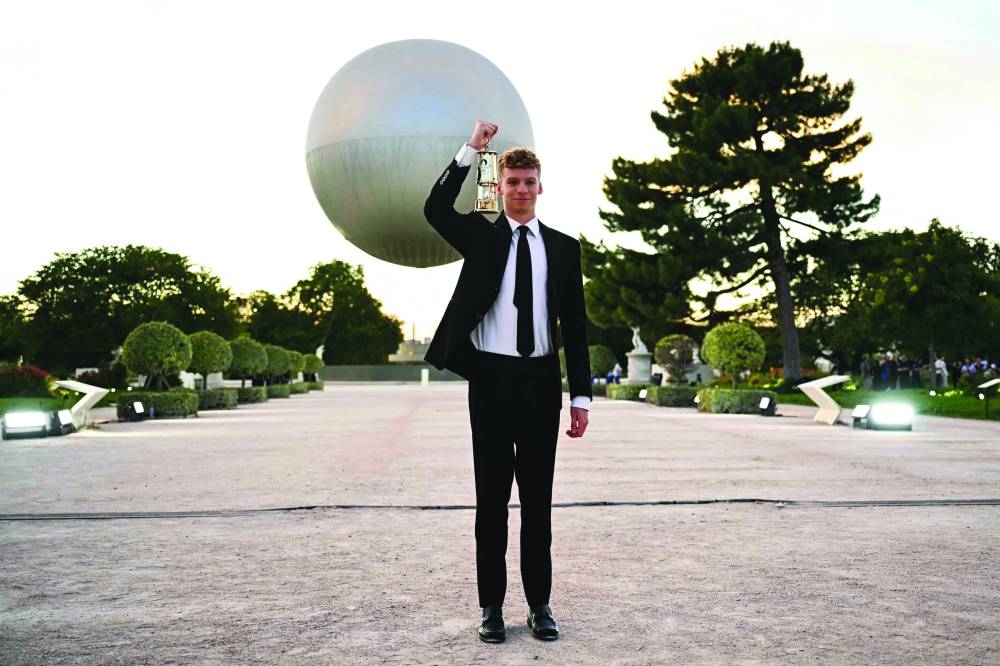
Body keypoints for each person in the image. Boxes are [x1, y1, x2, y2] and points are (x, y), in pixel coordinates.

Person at [423, 120, 592, 644]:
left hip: (541, 380)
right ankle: (491, 608)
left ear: (541, 187)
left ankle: (540, 605)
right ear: (502, 186)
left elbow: (577, 326)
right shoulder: (481, 234)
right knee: (491, 499)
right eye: (512, 181)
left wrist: (580, 397)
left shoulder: (564, 249)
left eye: (528, 182)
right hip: (491, 379)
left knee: (537, 499)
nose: (520, 190)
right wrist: (471, 151)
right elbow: (433, 210)